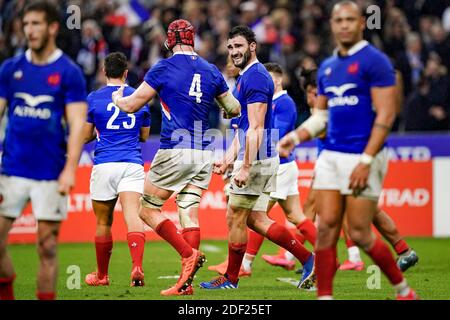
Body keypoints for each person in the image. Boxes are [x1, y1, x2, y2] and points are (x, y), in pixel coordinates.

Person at [278, 1, 418, 300]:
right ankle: (325, 296)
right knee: (326, 228)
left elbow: (386, 114)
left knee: (359, 233)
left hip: (363, 154)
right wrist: (297, 135)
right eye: (338, 19)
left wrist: (367, 160)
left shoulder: (375, 61)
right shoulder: (328, 67)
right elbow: (322, 116)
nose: (344, 24)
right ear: (331, 24)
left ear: (361, 23)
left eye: (350, 19)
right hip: (332, 155)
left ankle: (404, 291)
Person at [111, 19, 241, 296]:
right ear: (193, 40)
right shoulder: (211, 70)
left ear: (170, 40)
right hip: (205, 149)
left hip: (175, 148)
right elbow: (233, 108)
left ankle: (187, 253)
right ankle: (187, 285)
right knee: (188, 211)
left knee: (145, 208)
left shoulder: (163, 67)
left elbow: (133, 104)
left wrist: (117, 100)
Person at [200, 26, 315, 290]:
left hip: (258, 159)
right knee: (255, 218)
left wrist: (246, 166)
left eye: (239, 46)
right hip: (261, 156)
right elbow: (243, 127)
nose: (234, 52)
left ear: (252, 46)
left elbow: (257, 127)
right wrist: (230, 158)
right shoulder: (246, 77)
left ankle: (230, 279)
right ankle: (309, 259)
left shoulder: (254, 78)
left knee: (235, 216)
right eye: (230, 47)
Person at [0, 1, 87, 300]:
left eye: (36, 24)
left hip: (50, 173)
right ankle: (7, 288)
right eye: (26, 24)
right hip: (10, 169)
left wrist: (70, 169)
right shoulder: (11, 70)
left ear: (51, 27)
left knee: (47, 247)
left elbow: (77, 123)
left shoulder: (69, 72)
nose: (29, 30)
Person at [300, 68, 419, 273]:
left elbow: (329, 133)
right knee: (369, 212)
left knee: (321, 206)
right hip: (346, 162)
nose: (310, 97)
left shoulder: (335, 108)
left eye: (312, 92)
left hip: (352, 161)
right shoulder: (330, 107)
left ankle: (304, 256)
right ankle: (403, 251)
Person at [82, 52, 150, 287]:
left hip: (104, 164)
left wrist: (95, 134)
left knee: (103, 222)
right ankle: (137, 267)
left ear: (103, 72)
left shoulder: (94, 98)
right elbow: (144, 135)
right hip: (131, 163)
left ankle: (102, 276)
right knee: (132, 215)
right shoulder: (140, 96)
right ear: (126, 73)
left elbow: (84, 136)